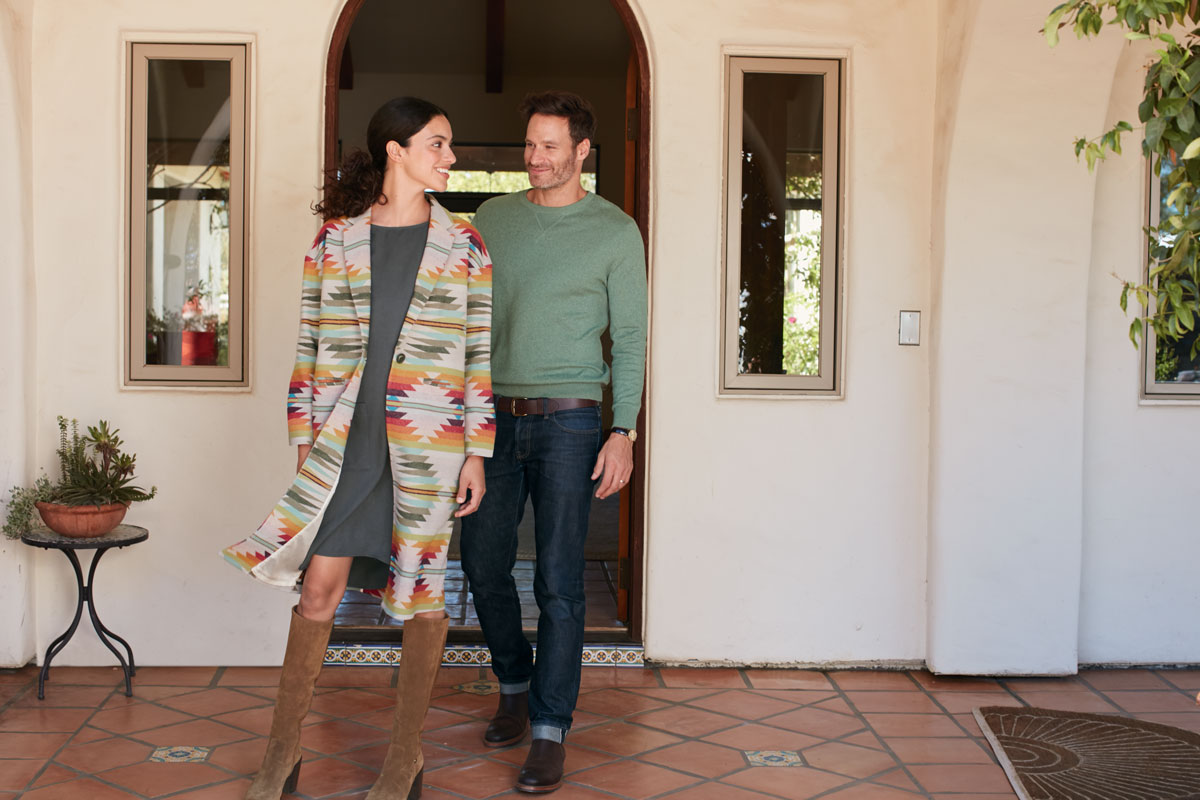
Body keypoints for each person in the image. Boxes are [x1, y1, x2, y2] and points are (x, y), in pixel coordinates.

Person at [221, 96, 495, 800]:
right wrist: (304, 438)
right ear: (397, 151)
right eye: (438, 144)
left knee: (423, 596)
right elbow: (307, 345)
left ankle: (404, 760)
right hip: (346, 442)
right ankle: (281, 755)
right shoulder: (332, 242)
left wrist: (475, 451)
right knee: (319, 591)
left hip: (428, 444)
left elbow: (477, 351)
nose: (451, 157)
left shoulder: (464, 246)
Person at [460, 90, 647, 794]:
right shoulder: (491, 220)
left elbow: (629, 339)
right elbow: (466, 318)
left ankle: (548, 728)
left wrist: (622, 431)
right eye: (530, 145)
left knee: (561, 583)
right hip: (491, 418)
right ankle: (513, 681)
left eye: (549, 147)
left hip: (571, 418)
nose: (535, 158)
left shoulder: (615, 231)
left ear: (581, 152)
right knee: (482, 563)